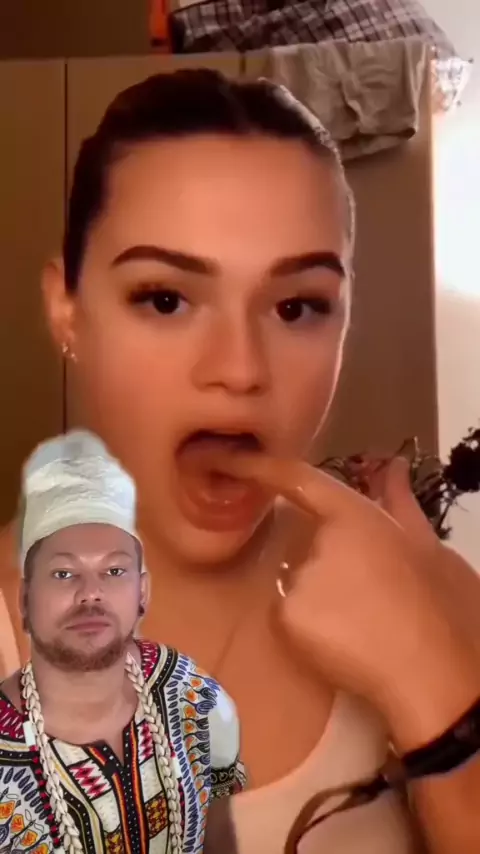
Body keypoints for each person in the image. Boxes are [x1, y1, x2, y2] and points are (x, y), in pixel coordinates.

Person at [0, 69, 479, 850]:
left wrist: (431, 686)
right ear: (68, 309)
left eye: (296, 306)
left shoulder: (445, 604)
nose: (241, 368)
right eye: (165, 299)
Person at [0, 429, 244, 854]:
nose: (90, 593)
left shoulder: (194, 696)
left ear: (142, 592)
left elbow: (220, 835)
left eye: (114, 571)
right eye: (63, 573)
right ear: (24, 599)